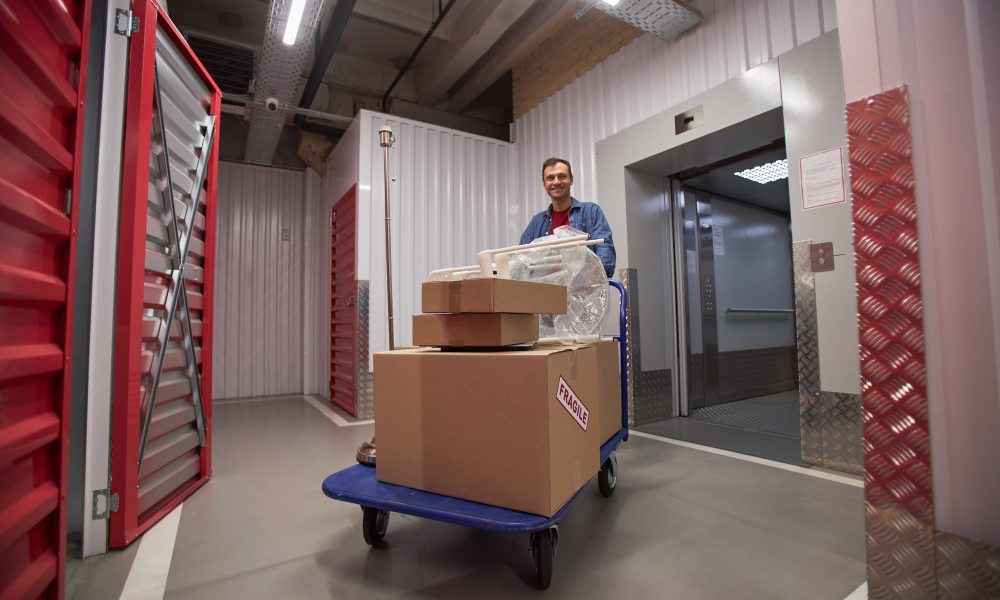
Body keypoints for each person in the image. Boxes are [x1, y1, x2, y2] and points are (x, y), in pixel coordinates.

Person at [520, 157, 616, 278]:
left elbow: (605, 251)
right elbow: (520, 258)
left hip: (584, 291)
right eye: (550, 178)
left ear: (571, 179)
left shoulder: (591, 211)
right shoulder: (537, 222)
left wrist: (590, 278)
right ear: (544, 184)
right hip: (546, 291)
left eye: (562, 176)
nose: (556, 182)